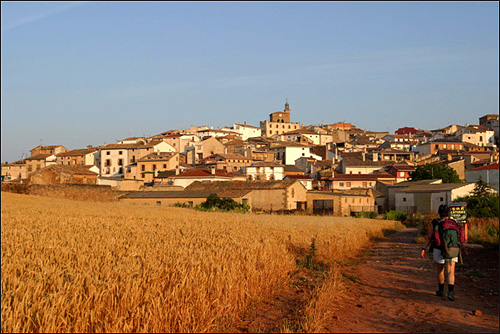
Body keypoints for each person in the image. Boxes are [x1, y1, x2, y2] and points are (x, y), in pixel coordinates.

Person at [420, 204, 458, 301]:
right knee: (451, 271)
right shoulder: (454, 222)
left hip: (438, 249)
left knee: (440, 270)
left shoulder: (435, 222)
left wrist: (424, 248)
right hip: (452, 249)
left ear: (439, 213)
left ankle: (441, 291)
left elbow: (429, 237)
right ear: (448, 213)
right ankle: (451, 292)